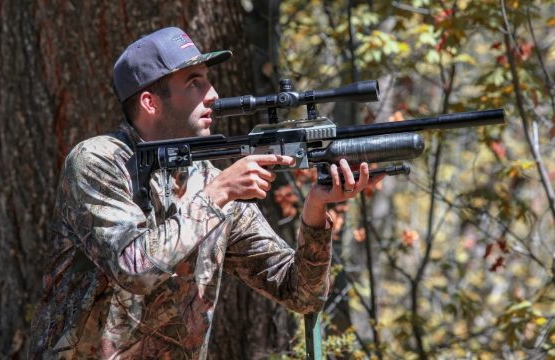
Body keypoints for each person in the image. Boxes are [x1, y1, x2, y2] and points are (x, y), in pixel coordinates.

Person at [29, 27, 378, 359]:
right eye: (195, 83)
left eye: (208, 81)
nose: (213, 95)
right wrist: (217, 195)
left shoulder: (209, 180)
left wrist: (316, 209)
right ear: (150, 102)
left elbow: (300, 292)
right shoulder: (98, 161)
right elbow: (133, 269)